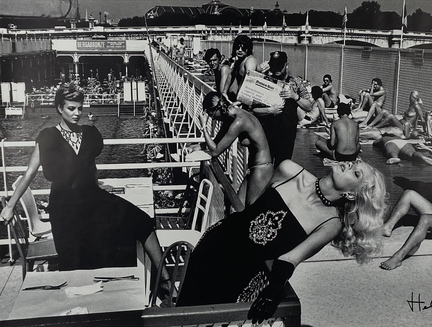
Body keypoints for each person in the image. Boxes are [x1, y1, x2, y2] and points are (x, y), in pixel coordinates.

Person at [176, 159, 387, 324]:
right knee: (184, 313)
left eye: (355, 172)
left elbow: (290, 259)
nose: (348, 165)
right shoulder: (290, 170)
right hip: (214, 248)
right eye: (354, 163)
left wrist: (274, 289)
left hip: (242, 274)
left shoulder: (331, 223)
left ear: (351, 194)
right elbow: (252, 205)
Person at [0, 84, 170, 286]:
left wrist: (97, 184)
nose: (77, 113)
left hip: (93, 199)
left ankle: (164, 280)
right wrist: (10, 206)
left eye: (79, 108)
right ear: (59, 108)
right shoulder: (47, 137)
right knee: (79, 256)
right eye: (71, 108)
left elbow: (91, 165)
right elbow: (30, 173)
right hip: (65, 207)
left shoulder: (89, 133)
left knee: (142, 220)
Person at [199, 92, 273, 206]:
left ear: (217, 110)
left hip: (262, 168)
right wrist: (196, 147)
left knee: (251, 212)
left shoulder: (239, 121)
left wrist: (203, 126)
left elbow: (215, 151)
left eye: (212, 117)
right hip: (253, 168)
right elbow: (216, 142)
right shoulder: (231, 116)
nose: (214, 120)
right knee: (238, 208)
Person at [253, 51, 313, 167]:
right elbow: (254, 110)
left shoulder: (296, 83)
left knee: (282, 167)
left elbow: (309, 106)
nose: (276, 69)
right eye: (274, 65)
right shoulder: (265, 81)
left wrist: (295, 96)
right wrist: (270, 110)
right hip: (268, 133)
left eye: (280, 65)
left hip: (287, 134)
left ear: (287, 65)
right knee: (266, 166)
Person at [222, 35, 259, 101]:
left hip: (253, 98)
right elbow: (231, 74)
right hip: (244, 98)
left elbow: (249, 81)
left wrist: (239, 100)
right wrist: (224, 92)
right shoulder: (239, 60)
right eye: (237, 47)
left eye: (243, 48)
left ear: (248, 49)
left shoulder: (250, 61)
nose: (240, 50)